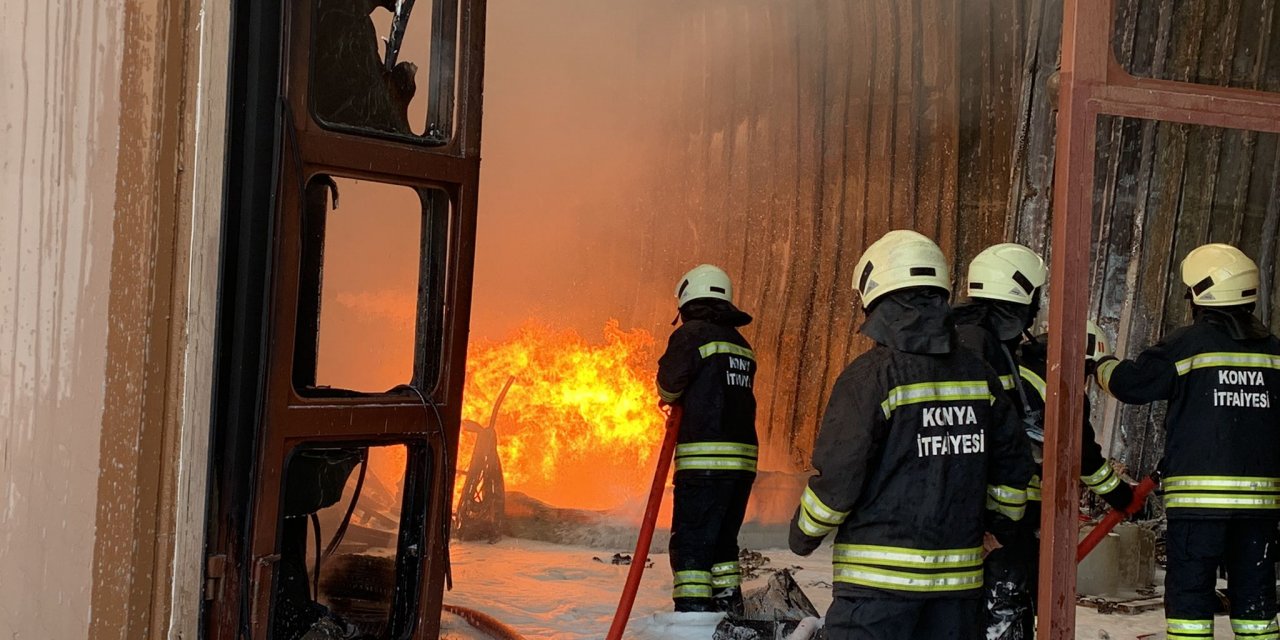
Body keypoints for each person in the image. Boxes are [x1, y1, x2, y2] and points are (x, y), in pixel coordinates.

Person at [789, 230, 1034, 640]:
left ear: (878, 298)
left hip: (877, 594)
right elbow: (1013, 466)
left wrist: (804, 534)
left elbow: (840, 475)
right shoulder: (980, 375)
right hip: (956, 595)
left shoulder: (869, 378)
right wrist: (1000, 524)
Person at [1095, 243, 1280, 640]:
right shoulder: (1275, 352)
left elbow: (1131, 384)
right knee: (1256, 601)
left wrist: (1099, 363)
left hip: (1198, 507)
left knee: (1190, 601)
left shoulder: (1186, 346)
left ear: (1202, 293)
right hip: (1260, 507)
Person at [981, 320, 1142, 638]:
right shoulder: (1059, 380)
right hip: (1018, 506)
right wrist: (1120, 495)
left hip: (986, 499)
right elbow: (1082, 456)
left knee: (1001, 597)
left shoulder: (1022, 368)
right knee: (1012, 596)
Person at [656, 264, 758, 614]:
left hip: (704, 461)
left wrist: (669, 397)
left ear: (687, 299)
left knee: (692, 541)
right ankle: (730, 610)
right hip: (742, 464)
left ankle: (693, 614)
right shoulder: (740, 344)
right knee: (722, 541)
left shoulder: (692, 334)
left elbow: (669, 384)